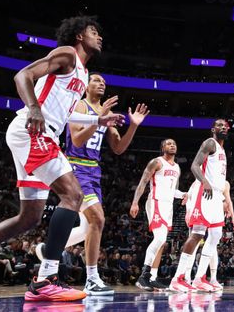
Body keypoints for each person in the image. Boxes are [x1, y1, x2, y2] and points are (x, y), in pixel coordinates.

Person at [0, 16, 123, 302]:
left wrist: (98, 120)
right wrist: (33, 108)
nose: (99, 36)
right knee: (73, 195)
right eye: (93, 31)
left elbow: (66, 113)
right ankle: (45, 279)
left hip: (39, 132)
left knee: (29, 217)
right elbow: (22, 76)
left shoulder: (82, 74)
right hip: (33, 129)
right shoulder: (66, 54)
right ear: (78, 36)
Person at [36, 74, 149, 296]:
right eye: (96, 80)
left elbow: (118, 148)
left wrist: (133, 126)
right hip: (76, 167)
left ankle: (47, 251)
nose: (102, 84)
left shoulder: (105, 113)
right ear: (86, 86)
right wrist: (100, 116)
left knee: (89, 227)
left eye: (104, 82)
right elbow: (77, 139)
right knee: (98, 218)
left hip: (94, 170)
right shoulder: (79, 105)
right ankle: (92, 278)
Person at [168, 119, 234, 292]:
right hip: (204, 192)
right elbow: (194, 166)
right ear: (213, 129)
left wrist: (224, 200)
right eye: (220, 125)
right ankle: (178, 278)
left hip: (216, 196)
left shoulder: (222, 149)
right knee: (197, 234)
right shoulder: (210, 143)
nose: (223, 127)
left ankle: (200, 278)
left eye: (225, 126)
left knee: (215, 235)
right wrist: (204, 181)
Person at [130, 138, 185, 291]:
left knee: (162, 243)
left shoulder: (178, 168)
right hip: (156, 202)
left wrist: (184, 195)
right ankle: (143, 276)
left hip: (168, 206)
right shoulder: (156, 162)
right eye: (168, 143)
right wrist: (135, 202)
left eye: (174, 143)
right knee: (160, 238)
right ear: (162, 148)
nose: (172, 145)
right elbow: (142, 182)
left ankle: (152, 277)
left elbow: (173, 190)